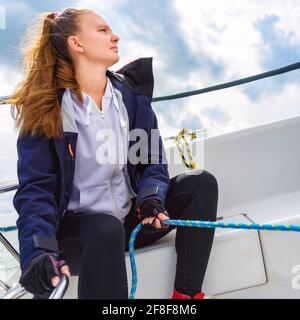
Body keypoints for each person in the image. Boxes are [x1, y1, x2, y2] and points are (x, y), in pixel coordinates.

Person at [10, 7, 218, 299]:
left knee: (200, 182)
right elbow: (36, 190)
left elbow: (151, 161)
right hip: (81, 237)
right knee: (105, 228)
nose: (115, 36)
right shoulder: (47, 110)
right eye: (103, 30)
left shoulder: (130, 98)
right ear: (77, 44)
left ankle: (185, 297)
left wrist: (151, 199)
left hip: (129, 222)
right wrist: (37, 251)